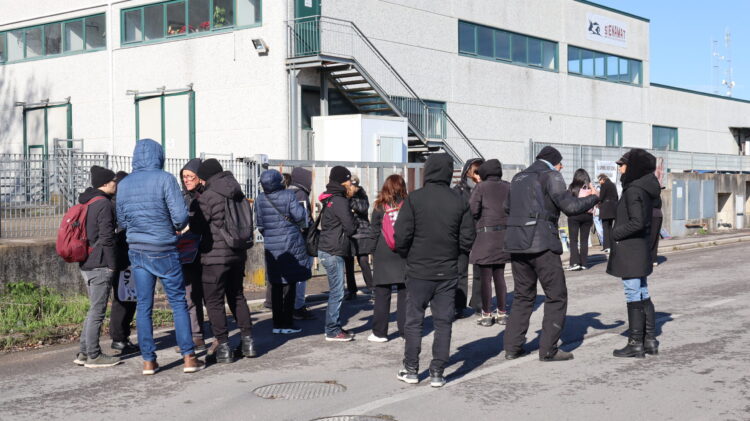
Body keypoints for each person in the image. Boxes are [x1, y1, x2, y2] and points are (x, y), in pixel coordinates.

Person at [503, 146, 599, 362]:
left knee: (522, 296)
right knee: (556, 295)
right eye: (560, 163)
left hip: (517, 242)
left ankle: (512, 347)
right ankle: (548, 350)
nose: (562, 167)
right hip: (542, 243)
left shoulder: (518, 178)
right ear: (553, 162)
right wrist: (594, 198)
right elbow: (570, 207)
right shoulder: (551, 175)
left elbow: (506, 207)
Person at [116, 139, 203, 375]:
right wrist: (173, 226)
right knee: (178, 302)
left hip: (137, 249)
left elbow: (121, 220)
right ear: (159, 156)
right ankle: (188, 357)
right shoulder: (165, 179)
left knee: (144, 305)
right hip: (164, 248)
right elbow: (180, 218)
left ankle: (148, 361)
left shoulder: (124, 183)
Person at [395, 154, 475, 387]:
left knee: (414, 321)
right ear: (449, 172)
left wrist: (409, 255)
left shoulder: (414, 198)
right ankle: (438, 371)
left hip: (418, 270)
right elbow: (468, 237)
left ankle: (411, 368)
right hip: (447, 270)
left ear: (428, 170)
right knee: (443, 322)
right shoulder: (459, 200)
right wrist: (455, 253)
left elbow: (401, 236)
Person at [193, 158, 257, 363]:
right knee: (237, 296)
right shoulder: (238, 192)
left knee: (214, 301)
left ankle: (223, 347)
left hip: (214, 257)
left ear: (205, 177)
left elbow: (196, 227)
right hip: (237, 253)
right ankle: (248, 342)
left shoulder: (208, 196)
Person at [608, 149, 661, 358]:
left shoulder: (633, 190)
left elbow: (637, 221)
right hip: (640, 248)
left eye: (622, 165)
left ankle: (635, 342)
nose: (620, 169)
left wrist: (615, 233)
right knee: (642, 292)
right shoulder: (645, 187)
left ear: (633, 167)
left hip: (630, 250)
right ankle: (650, 340)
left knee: (633, 294)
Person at [74, 166, 121, 368]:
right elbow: (107, 238)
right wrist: (112, 265)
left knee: (93, 309)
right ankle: (94, 355)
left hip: (86, 261)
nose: (116, 184)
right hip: (100, 263)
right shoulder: (103, 204)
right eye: (113, 181)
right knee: (98, 311)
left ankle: (84, 353)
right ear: (105, 183)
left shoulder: (88, 201)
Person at [254, 169, 310, 334]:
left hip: (271, 246)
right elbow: (299, 216)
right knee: (290, 284)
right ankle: (287, 324)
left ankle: (277, 324)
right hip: (290, 244)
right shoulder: (289, 195)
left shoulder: (260, 199)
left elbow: (260, 224)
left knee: (276, 285)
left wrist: (271, 236)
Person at [469, 159, 511, 327]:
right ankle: (502, 313)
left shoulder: (481, 187)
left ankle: (486, 314)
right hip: (504, 236)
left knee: (485, 278)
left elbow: (472, 210)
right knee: (500, 276)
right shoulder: (508, 186)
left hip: (485, 236)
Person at [317, 166, 357, 342]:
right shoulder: (340, 201)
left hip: (327, 248)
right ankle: (332, 330)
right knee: (337, 292)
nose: (350, 183)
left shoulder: (330, 198)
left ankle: (334, 326)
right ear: (342, 181)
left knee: (336, 291)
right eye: (348, 180)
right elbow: (350, 227)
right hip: (333, 251)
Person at [368, 174, 408, 342]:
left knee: (382, 295)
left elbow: (374, 232)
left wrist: (371, 252)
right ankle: (405, 331)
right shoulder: (408, 205)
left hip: (383, 253)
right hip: (404, 253)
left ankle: (380, 333)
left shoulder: (379, 207)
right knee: (405, 294)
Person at [108, 171, 139, 355]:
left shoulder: (118, 203)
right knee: (124, 297)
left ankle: (121, 337)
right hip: (122, 257)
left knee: (128, 297)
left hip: (125, 256)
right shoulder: (116, 206)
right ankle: (119, 338)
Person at [178, 158, 207, 351]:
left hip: (207, 250)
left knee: (210, 296)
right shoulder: (181, 197)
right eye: (184, 176)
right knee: (190, 294)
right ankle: (196, 335)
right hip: (187, 252)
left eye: (190, 176)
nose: (186, 180)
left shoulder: (207, 196)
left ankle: (219, 337)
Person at [453, 158, 484, 317]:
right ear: (468, 173)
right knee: (460, 271)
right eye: (476, 171)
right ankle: (459, 305)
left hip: (480, 234)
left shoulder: (485, 189)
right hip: (462, 235)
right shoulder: (458, 191)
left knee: (480, 271)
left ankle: (478, 303)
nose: (479, 175)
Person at [287, 167, 316, 320]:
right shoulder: (301, 194)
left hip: (290, 239)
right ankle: (298, 307)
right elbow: (303, 220)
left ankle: (292, 305)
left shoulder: (288, 192)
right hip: (301, 240)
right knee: (302, 274)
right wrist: (311, 226)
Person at [344, 175, 375, 300]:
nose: (351, 188)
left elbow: (363, 208)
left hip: (362, 232)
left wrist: (350, 201)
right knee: (348, 263)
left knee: (363, 261)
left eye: (353, 185)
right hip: (349, 233)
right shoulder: (344, 195)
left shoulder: (362, 194)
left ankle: (372, 288)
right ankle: (352, 290)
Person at [566, 169, 595, 271]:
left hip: (574, 215)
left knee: (573, 240)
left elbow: (568, 201)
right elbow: (597, 198)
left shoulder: (572, 187)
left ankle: (574, 263)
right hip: (588, 215)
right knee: (584, 240)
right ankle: (584, 263)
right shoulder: (589, 188)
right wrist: (591, 186)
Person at [597, 173, 618, 253]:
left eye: (599, 180)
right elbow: (616, 196)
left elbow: (601, 197)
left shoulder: (604, 185)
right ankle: (612, 245)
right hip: (613, 209)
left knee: (605, 228)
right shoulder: (613, 185)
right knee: (610, 227)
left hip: (605, 209)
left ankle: (606, 246)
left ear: (603, 179)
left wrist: (599, 203)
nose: (599, 182)